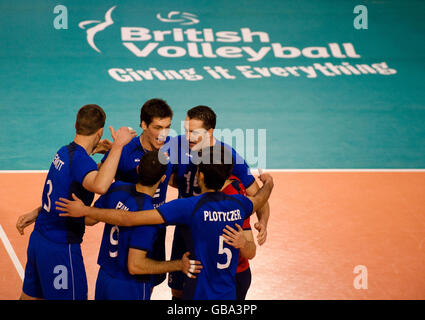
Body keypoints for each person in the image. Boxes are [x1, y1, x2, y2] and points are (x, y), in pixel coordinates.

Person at [56, 146, 274, 300]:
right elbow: (259, 200)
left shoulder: (189, 206)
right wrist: (270, 183)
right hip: (227, 292)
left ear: (200, 176)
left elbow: (128, 218)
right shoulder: (239, 204)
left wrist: (86, 210)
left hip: (198, 291)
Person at [19, 104, 136, 300]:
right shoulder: (82, 162)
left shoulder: (63, 152)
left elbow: (62, 190)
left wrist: (37, 212)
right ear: (100, 132)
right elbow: (100, 185)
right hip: (61, 248)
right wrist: (118, 146)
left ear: (76, 124)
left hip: (39, 240)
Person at [165, 105, 270, 299]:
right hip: (183, 229)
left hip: (209, 232)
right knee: (177, 288)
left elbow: (256, 195)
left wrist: (263, 222)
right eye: (186, 130)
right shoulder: (176, 145)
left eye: (194, 132)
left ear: (210, 131)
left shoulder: (227, 157)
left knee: (204, 286)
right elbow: (157, 168)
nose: (187, 137)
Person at [88, 151, 202, 300]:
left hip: (104, 278)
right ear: (163, 179)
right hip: (129, 286)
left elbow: (88, 220)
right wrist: (179, 265)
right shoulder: (147, 216)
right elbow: (135, 266)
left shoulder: (116, 188)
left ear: (137, 169)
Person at [94, 98, 174, 289]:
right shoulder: (124, 151)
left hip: (155, 228)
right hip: (127, 230)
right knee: (128, 278)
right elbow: (99, 179)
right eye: (157, 127)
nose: (163, 134)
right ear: (143, 125)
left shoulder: (173, 146)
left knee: (149, 284)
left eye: (168, 127)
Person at [221, 175, 256, 300]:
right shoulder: (199, 199)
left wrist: (243, 244)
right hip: (210, 276)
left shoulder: (235, 194)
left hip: (235, 276)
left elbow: (251, 252)